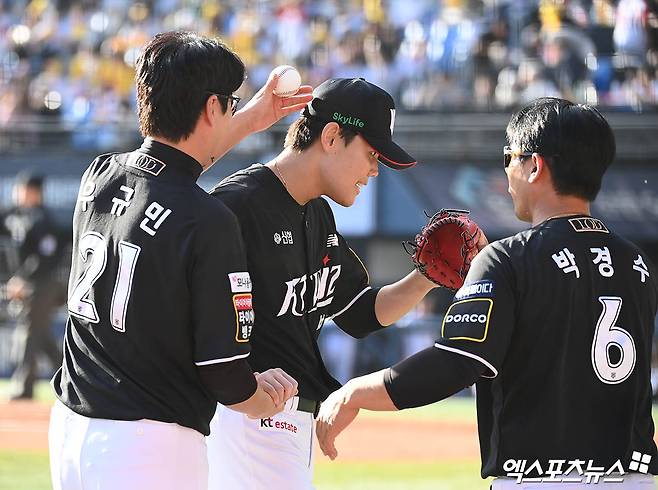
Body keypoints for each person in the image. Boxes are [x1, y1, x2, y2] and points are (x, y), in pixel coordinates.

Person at [316, 97, 658, 489]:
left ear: (535, 166)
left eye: (509, 157)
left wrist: (355, 391)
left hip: (542, 479)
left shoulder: (509, 258)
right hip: (634, 478)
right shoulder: (636, 263)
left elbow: (455, 364)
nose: (507, 170)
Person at [49, 31, 312, 490]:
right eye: (228, 103)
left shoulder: (100, 174)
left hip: (71, 425)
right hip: (148, 446)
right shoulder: (210, 219)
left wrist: (249, 118)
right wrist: (261, 398)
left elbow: (170, 171)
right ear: (212, 108)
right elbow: (223, 373)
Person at [205, 77, 479, 490]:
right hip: (245, 419)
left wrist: (425, 277)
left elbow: (362, 314)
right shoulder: (239, 204)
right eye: (371, 154)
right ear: (332, 136)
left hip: (285, 421)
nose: (374, 170)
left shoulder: (317, 214)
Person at [1, 172, 64, 400]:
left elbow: (46, 258)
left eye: (23, 189)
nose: (18, 193)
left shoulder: (43, 220)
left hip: (45, 284)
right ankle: (70, 376)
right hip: (32, 283)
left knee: (29, 330)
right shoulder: (19, 216)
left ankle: (24, 385)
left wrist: (23, 280)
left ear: (35, 193)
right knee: (42, 334)